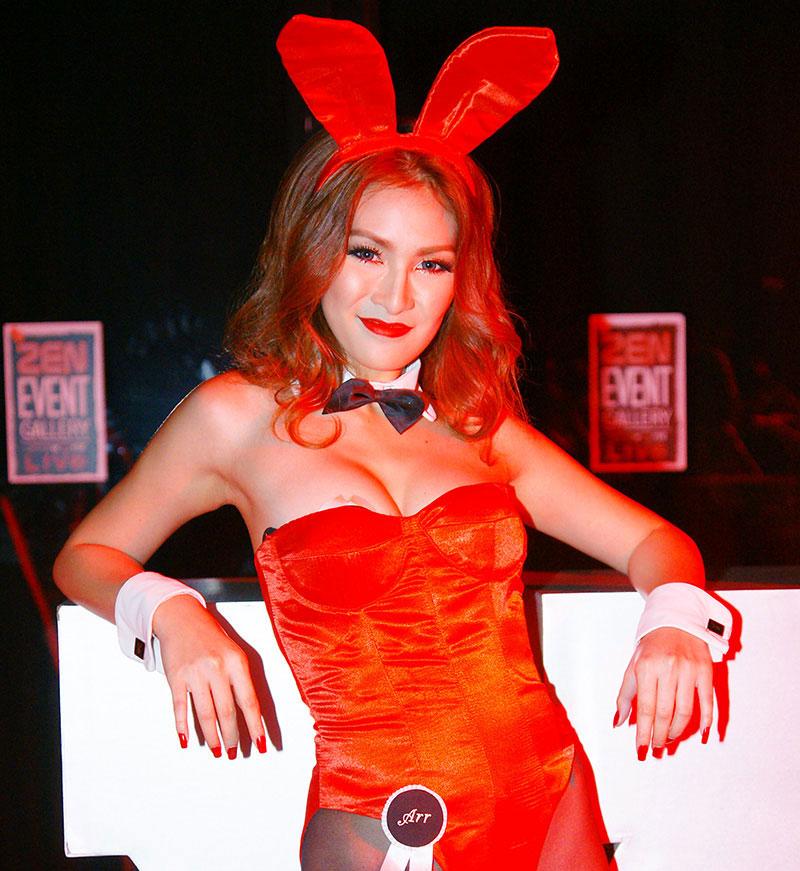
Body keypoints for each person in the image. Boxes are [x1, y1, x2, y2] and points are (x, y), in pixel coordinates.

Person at [54, 15, 731, 871]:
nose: (397, 294)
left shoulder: (480, 425)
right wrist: (172, 611)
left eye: (431, 264)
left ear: (460, 279)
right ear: (312, 251)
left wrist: (674, 620)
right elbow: (83, 557)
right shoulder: (235, 417)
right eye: (366, 252)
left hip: (548, 794)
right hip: (377, 823)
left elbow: (654, 541)